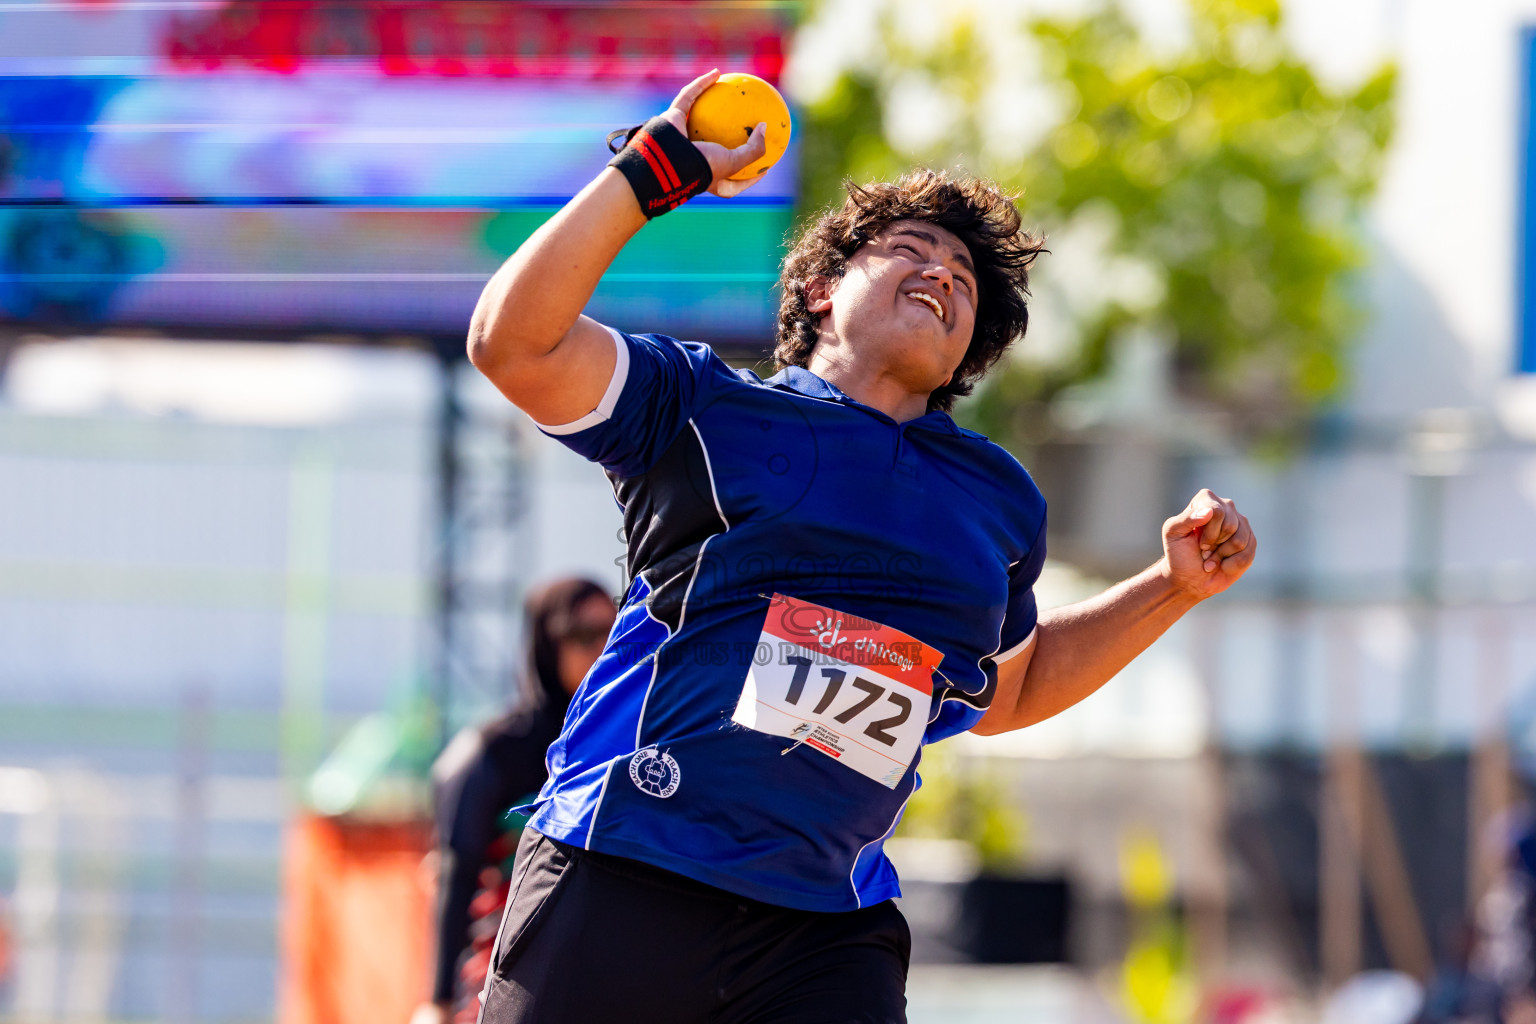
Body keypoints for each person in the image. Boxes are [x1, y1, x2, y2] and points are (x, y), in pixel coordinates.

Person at [466, 70, 1257, 1023]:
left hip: (823, 926)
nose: (942, 277)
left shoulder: (996, 499)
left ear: (968, 350)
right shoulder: (707, 408)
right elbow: (514, 343)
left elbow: (1011, 688)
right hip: (629, 863)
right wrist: (655, 170)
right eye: (912, 252)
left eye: (964, 282)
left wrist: (1168, 588)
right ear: (821, 289)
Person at [409, 578, 616, 1024]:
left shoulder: (624, 747)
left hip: (602, 981)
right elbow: (454, 877)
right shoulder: (489, 754)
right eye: (583, 635)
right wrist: (438, 1001)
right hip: (503, 982)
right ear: (547, 643)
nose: (601, 648)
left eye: (612, 632)